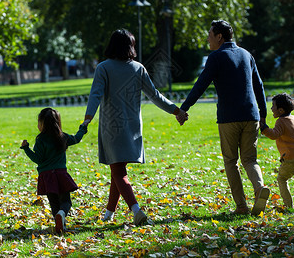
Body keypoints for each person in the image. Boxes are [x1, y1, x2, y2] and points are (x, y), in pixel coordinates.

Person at [84, 29, 188, 226]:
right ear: (130, 46)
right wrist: (177, 111)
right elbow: (155, 96)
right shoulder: (138, 68)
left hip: (112, 127)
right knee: (117, 168)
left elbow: (95, 95)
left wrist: (88, 118)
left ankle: (136, 210)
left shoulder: (103, 68)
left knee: (118, 170)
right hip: (132, 128)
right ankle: (108, 214)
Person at [178, 19, 269, 216]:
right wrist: (263, 114)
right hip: (251, 115)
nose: (208, 39)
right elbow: (259, 85)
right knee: (250, 159)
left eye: (210, 35)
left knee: (230, 161)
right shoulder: (247, 54)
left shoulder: (216, 57)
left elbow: (201, 84)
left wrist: (184, 108)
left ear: (219, 36)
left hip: (229, 117)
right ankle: (260, 188)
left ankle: (242, 206)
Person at [20, 107, 89, 234]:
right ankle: (62, 215)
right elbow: (77, 138)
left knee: (54, 203)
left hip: (47, 176)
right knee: (66, 202)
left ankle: (59, 222)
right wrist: (83, 127)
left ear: (42, 124)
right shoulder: (62, 137)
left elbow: (38, 159)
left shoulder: (40, 140)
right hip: (61, 174)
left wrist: (26, 149)